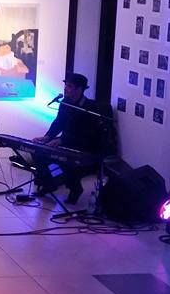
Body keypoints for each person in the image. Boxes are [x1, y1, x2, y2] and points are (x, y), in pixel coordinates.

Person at [32, 72, 114, 203]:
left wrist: (62, 140)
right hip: (67, 142)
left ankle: (75, 189)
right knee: (38, 153)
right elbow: (58, 122)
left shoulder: (90, 108)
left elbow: (88, 134)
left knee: (67, 160)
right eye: (66, 85)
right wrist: (47, 137)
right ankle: (49, 184)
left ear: (80, 89)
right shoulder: (65, 103)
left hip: (84, 146)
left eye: (69, 86)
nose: (65, 88)